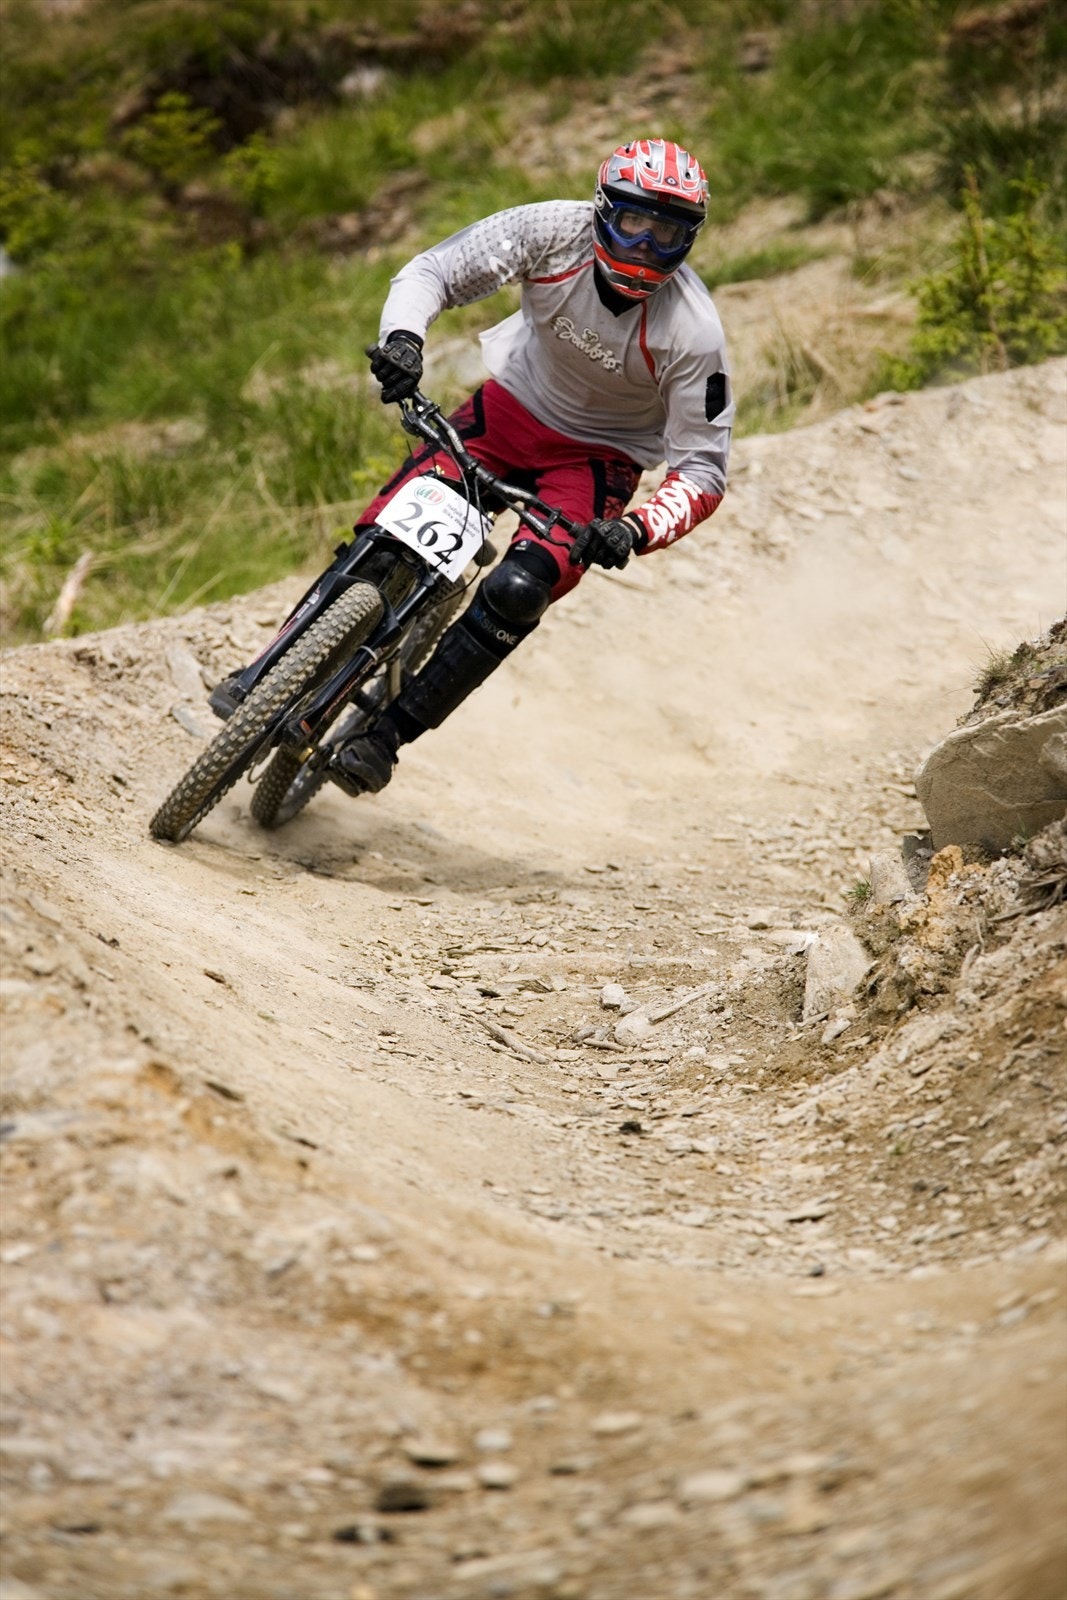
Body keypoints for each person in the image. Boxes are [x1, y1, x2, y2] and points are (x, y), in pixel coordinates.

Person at [330, 136, 734, 796]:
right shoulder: (550, 230)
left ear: (688, 240)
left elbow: (702, 468)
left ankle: (384, 738)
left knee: (519, 590)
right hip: (511, 408)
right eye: (633, 221)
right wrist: (405, 340)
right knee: (385, 538)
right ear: (602, 210)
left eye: (667, 233)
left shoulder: (694, 332)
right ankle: (277, 661)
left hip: (597, 457)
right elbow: (433, 271)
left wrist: (634, 530)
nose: (644, 246)